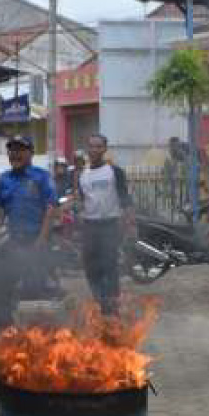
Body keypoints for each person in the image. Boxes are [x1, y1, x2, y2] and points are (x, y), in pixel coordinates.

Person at [0, 135, 57, 334]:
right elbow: (0, 212)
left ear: (30, 153)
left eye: (20, 149)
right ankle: (4, 326)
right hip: (14, 242)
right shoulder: (5, 179)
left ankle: (38, 335)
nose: (15, 153)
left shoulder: (42, 177)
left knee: (34, 289)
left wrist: (41, 241)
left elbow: (51, 210)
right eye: (12, 150)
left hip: (37, 241)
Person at [75, 134, 135, 315]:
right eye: (91, 146)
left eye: (98, 146)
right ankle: (101, 303)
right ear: (88, 149)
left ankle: (113, 307)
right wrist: (77, 213)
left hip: (110, 225)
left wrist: (131, 224)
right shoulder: (83, 175)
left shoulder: (114, 172)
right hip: (89, 226)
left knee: (109, 266)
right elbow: (82, 201)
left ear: (104, 149)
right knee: (90, 267)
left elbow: (126, 200)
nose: (94, 150)